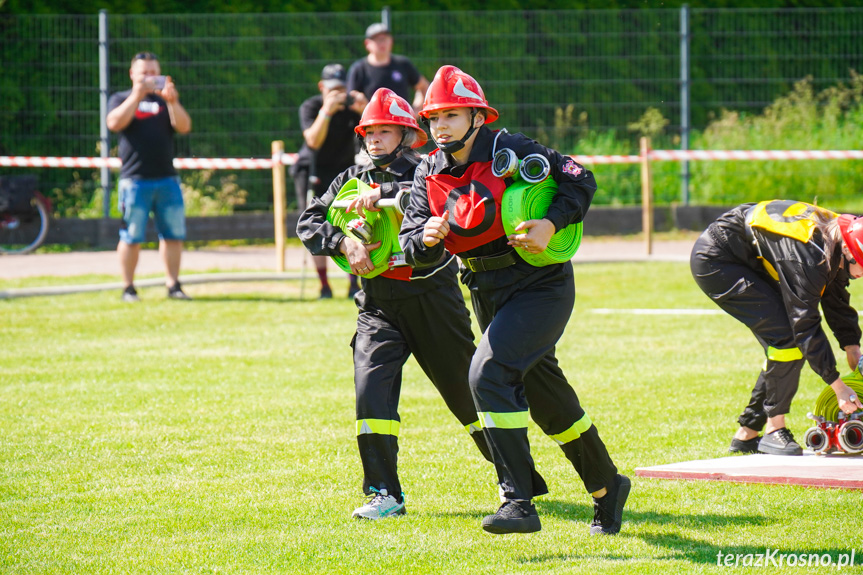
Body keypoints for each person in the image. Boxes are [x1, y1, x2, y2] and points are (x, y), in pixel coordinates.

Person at [398, 65, 629, 536]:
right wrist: (426, 239)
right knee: (546, 399)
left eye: (451, 115)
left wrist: (552, 223)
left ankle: (516, 500)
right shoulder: (426, 171)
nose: (439, 126)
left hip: (540, 283)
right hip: (483, 288)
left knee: (488, 373)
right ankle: (607, 485)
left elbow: (580, 179)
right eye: (433, 118)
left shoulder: (513, 148)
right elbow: (412, 250)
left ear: (478, 117)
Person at [297, 87, 493, 520]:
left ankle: (513, 479)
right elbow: (309, 221)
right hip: (377, 305)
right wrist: (343, 239)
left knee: (467, 396)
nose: (375, 139)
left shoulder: (430, 170)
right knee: (371, 398)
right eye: (370, 131)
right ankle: (384, 494)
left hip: (432, 300)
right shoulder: (350, 178)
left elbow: (442, 202)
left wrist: (385, 197)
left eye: (386, 131)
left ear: (408, 135)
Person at [690, 200, 863, 455]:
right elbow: (805, 324)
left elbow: (834, 295)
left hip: (747, 255)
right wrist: (837, 386)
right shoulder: (810, 254)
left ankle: (747, 434)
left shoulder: (837, 235)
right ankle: (773, 430)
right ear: (850, 253)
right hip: (718, 260)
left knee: (782, 343)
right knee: (787, 339)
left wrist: (852, 347)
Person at [107, 51, 192, 302]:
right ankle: (128, 288)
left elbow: (185, 127)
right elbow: (113, 123)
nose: (150, 77)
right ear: (133, 74)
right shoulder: (121, 98)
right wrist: (137, 95)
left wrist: (174, 101)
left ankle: (173, 285)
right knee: (131, 237)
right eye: (145, 72)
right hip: (134, 181)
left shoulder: (165, 101)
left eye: (154, 72)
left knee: (173, 235)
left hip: (167, 179)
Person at [293, 63, 368, 299]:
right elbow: (313, 141)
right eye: (333, 89)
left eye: (341, 89)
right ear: (322, 88)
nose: (338, 94)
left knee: (353, 221)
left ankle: (354, 281)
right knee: (315, 221)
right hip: (312, 169)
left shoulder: (351, 110)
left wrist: (364, 109)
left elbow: (374, 134)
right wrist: (326, 110)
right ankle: (324, 286)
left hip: (343, 170)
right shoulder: (311, 106)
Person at [346, 23, 429, 114]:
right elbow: (352, 101)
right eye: (377, 39)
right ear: (367, 43)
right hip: (372, 125)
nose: (382, 43)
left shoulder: (403, 64)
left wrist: (414, 112)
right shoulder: (359, 69)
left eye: (385, 38)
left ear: (391, 41)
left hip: (403, 124)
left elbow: (424, 87)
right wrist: (368, 112)